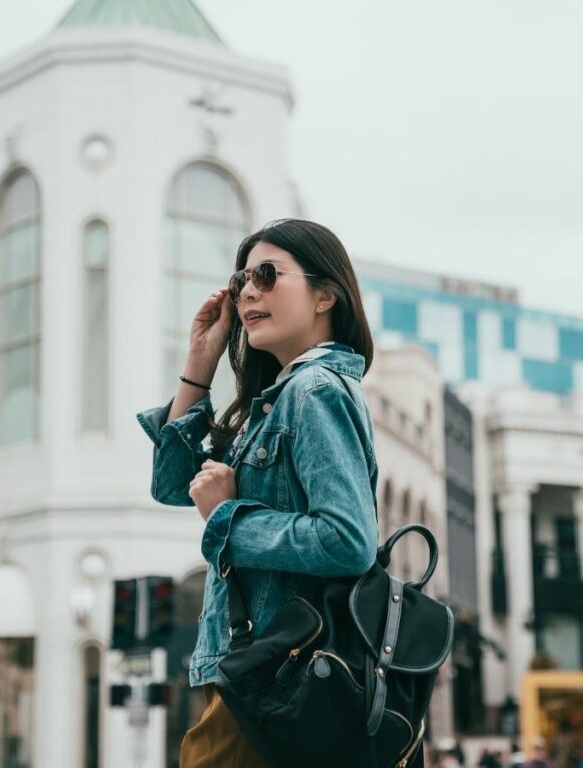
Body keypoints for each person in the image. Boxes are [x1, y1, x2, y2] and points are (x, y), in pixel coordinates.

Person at [136, 219, 380, 767]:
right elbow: (174, 485)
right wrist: (200, 364)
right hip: (255, 670)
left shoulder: (314, 391)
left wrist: (228, 516)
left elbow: (347, 540)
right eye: (242, 278)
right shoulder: (276, 400)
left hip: (277, 671)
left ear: (325, 295)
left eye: (267, 275)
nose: (247, 290)